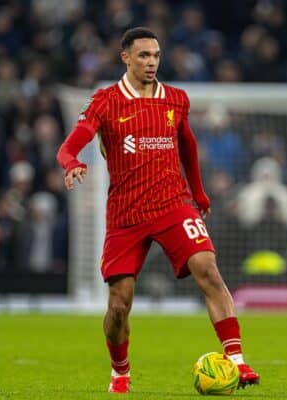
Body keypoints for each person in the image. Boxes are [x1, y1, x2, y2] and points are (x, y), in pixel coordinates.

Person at [56, 27, 260, 394]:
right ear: (126, 58)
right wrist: (71, 161)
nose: (151, 62)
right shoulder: (105, 101)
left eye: (156, 55)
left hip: (173, 204)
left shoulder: (176, 99)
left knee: (208, 269)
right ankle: (120, 371)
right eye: (143, 56)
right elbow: (73, 141)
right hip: (125, 214)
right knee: (119, 305)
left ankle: (237, 362)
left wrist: (199, 194)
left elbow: (188, 144)